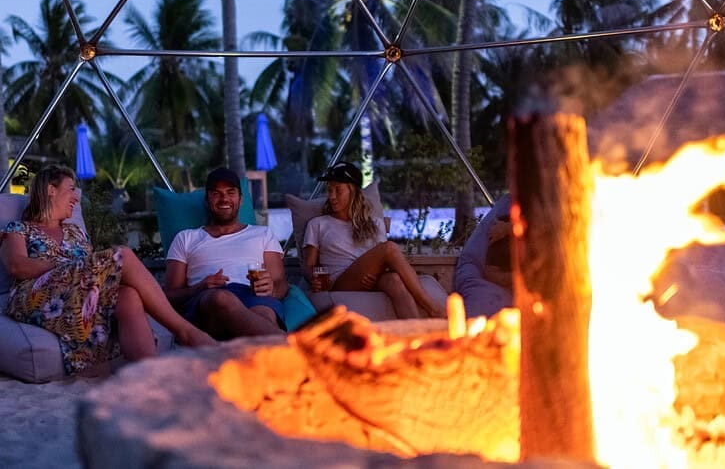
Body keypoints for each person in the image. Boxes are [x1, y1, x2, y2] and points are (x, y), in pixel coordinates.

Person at [0, 165, 214, 376]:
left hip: (78, 295)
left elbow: (93, 275)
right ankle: (185, 331)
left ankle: (150, 376)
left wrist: (82, 270)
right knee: (123, 254)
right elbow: (16, 265)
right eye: (70, 189)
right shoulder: (19, 228)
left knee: (127, 295)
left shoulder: (76, 232)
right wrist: (66, 265)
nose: (76, 197)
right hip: (34, 296)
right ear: (50, 190)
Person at [303, 161, 446, 319]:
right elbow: (308, 266)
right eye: (329, 190)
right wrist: (313, 279)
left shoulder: (375, 223)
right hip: (340, 281)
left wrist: (376, 276)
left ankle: (417, 333)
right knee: (389, 248)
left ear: (353, 192)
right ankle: (432, 308)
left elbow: (386, 263)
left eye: (338, 190)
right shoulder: (317, 224)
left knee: (394, 280)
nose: (332, 196)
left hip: (372, 277)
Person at [163, 167, 289, 339]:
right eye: (216, 193)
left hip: (253, 295)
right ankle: (292, 346)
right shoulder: (186, 238)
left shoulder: (263, 234)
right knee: (221, 299)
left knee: (265, 314)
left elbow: (281, 283)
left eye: (231, 192)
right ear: (207, 200)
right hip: (207, 300)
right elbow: (169, 296)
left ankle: (274, 346)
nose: (224, 199)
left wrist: (272, 288)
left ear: (241, 199)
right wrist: (200, 287)